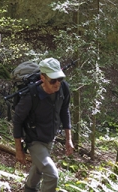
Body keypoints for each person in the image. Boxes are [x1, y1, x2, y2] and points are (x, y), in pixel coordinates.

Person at [13, 58, 74, 192]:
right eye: (53, 80)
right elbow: (17, 120)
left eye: (59, 79)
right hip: (34, 138)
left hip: (49, 136)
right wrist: (19, 149)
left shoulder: (63, 88)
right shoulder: (30, 95)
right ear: (43, 78)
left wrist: (68, 139)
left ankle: (29, 188)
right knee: (51, 174)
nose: (57, 84)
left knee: (39, 167)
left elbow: (65, 111)